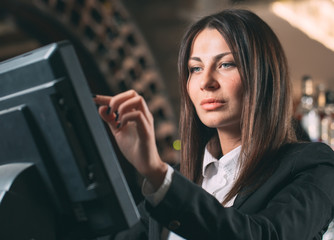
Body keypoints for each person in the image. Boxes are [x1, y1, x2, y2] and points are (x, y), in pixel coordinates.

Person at [94, 8, 334, 240]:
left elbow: (264, 235)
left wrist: (157, 173)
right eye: (195, 68)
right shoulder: (183, 178)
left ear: (264, 77)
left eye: (225, 64)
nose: (205, 82)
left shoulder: (314, 166)